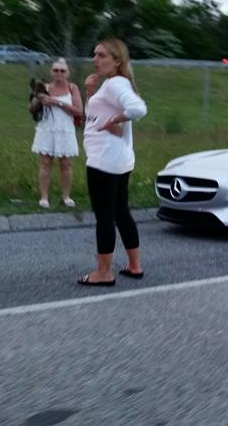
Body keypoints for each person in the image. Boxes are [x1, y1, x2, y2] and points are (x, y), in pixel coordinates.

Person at [78, 38, 147, 286]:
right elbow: (94, 117)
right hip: (117, 159)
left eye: (102, 55)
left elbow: (138, 109)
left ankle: (104, 273)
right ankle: (135, 266)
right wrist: (88, 93)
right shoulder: (114, 84)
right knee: (120, 212)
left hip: (104, 161)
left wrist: (117, 118)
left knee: (105, 217)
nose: (95, 59)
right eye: (94, 54)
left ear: (117, 60)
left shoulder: (115, 84)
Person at [31, 58, 83, 208]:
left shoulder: (72, 88)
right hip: (47, 128)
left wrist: (57, 102)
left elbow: (79, 111)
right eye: (56, 70)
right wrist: (38, 100)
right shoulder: (44, 87)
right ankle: (44, 198)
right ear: (51, 72)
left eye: (62, 70)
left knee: (66, 164)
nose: (59, 73)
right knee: (45, 163)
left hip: (65, 129)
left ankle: (66, 197)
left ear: (67, 73)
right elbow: (31, 109)